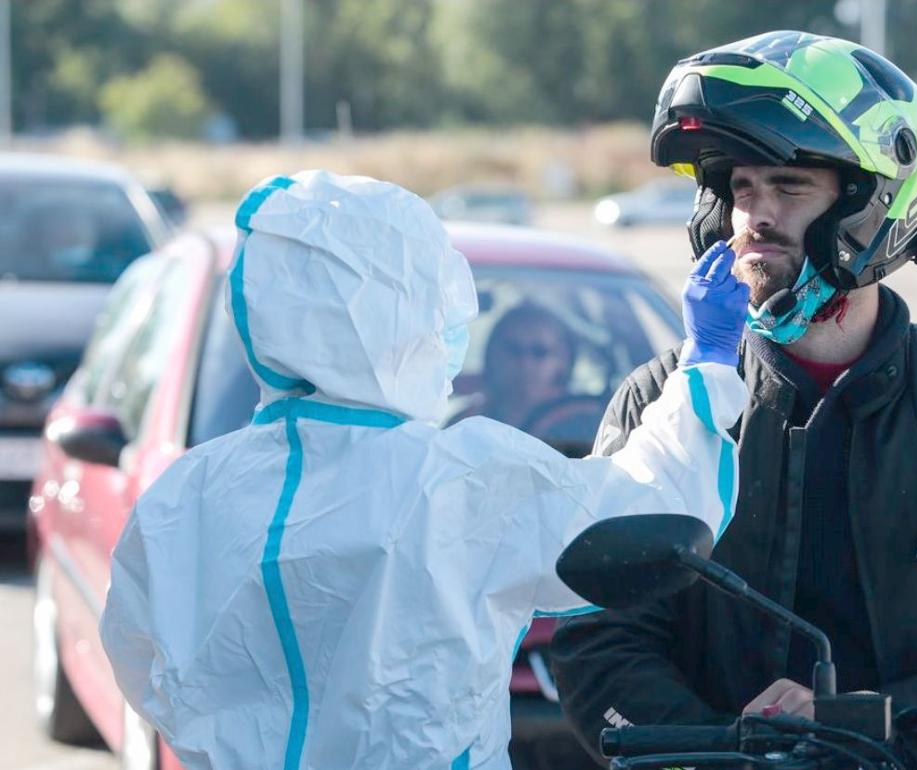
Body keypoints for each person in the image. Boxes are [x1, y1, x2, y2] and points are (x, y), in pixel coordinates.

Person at [549, 30, 917, 758]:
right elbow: (598, 641)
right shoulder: (661, 401)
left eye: (788, 187)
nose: (754, 216)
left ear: (871, 208)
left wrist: (867, 726)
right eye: (741, 189)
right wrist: (726, 752)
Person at [99, 170, 750, 770]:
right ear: (408, 311)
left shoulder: (187, 494)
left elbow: (139, 661)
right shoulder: (463, 481)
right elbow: (657, 507)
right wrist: (706, 363)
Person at [449, 302, 577, 429]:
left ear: (563, 360)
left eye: (539, 352)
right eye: (513, 349)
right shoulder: (464, 426)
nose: (525, 363)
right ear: (492, 354)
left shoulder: (584, 423)